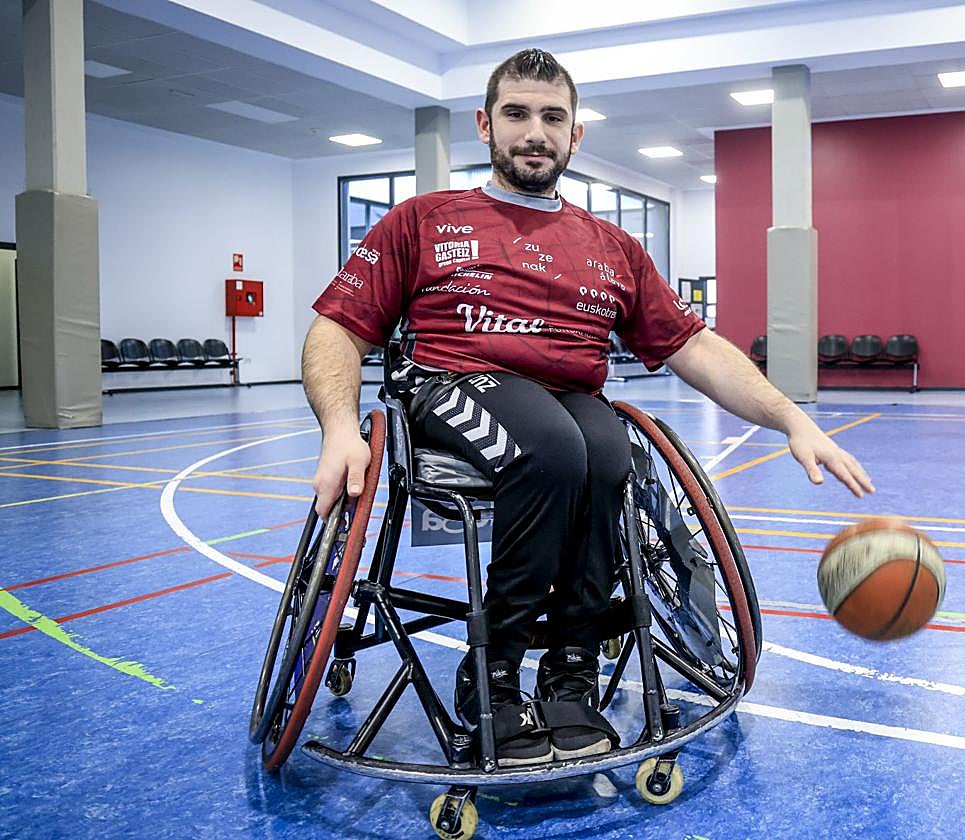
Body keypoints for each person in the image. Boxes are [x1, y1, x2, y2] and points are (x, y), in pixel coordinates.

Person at [302, 48, 873, 768]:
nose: (534, 131)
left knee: (609, 455)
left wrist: (792, 418)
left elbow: (695, 347)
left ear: (576, 135)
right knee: (553, 448)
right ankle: (493, 676)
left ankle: (570, 673)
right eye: (516, 114)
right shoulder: (423, 219)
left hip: (568, 399)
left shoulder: (614, 248)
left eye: (552, 117)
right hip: (450, 382)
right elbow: (339, 328)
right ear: (486, 125)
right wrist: (336, 428)